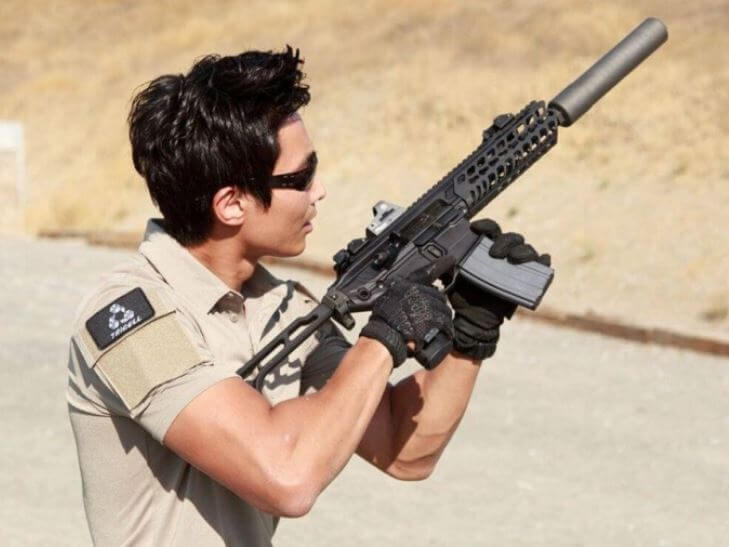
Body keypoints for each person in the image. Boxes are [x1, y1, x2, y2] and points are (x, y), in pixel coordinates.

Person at [67, 47, 549, 546]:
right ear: (231, 204)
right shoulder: (128, 319)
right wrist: (384, 337)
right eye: (300, 178)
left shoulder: (284, 307)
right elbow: (286, 478)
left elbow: (404, 451)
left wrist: (472, 330)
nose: (319, 191)